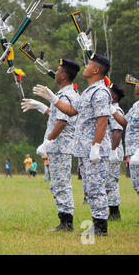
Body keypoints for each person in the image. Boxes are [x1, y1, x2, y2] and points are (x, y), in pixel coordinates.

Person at [33, 53, 112, 236]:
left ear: (96, 70)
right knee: (90, 189)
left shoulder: (100, 92)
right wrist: (52, 99)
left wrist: (96, 146)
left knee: (96, 188)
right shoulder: (88, 92)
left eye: (89, 64)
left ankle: (101, 229)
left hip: (94, 149)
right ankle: (97, 225)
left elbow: (102, 121)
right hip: (84, 149)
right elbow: (71, 111)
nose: (85, 66)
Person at [22, 59, 80, 232]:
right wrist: (40, 107)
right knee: (57, 183)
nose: (55, 72)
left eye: (57, 70)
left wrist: (47, 142)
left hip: (60, 146)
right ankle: (64, 220)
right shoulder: (65, 94)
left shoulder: (65, 95)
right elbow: (56, 117)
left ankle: (66, 223)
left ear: (64, 75)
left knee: (61, 184)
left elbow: (62, 123)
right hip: (59, 146)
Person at [110, 80, 139, 225]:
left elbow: (118, 130)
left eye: (138, 83)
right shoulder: (136, 105)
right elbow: (125, 122)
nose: (136, 85)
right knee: (136, 185)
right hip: (133, 151)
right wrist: (111, 109)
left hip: (138, 151)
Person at [106, 83, 125, 221]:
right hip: (109, 150)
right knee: (108, 182)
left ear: (113, 96)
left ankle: (114, 213)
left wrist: (113, 151)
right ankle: (112, 211)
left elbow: (117, 132)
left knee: (111, 182)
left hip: (114, 151)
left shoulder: (116, 111)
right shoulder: (110, 110)